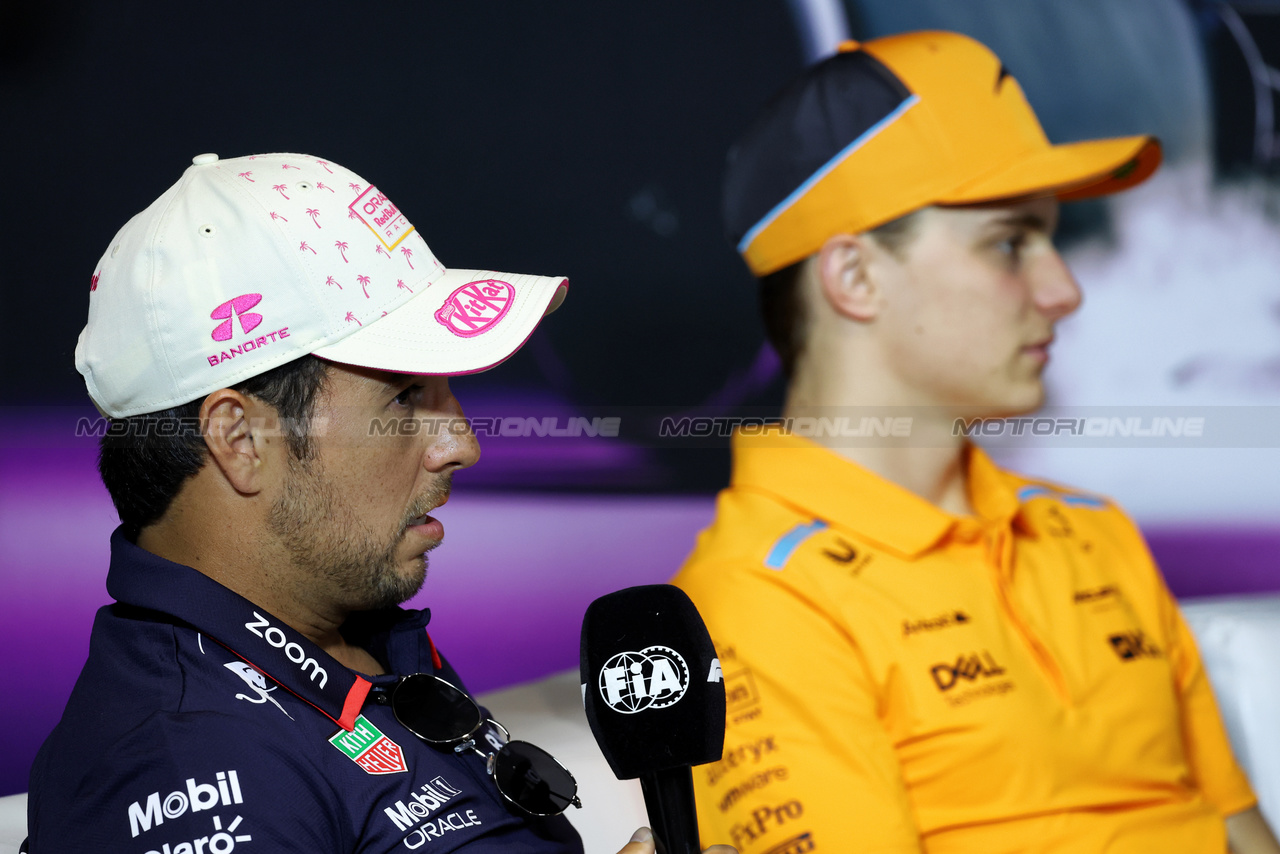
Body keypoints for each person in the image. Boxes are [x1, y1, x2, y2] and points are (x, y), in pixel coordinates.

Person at [672, 31, 1280, 854]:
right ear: (854, 278)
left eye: (1052, 240)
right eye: (1009, 242)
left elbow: (1242, 836)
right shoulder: (756, 600)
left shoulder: (1091, 532)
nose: (1062, 291)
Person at [27, 152, 735, 854]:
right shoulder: (186, 762)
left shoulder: (347, 636)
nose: (462, 443)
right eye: (404, 397)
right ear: (240, 439)